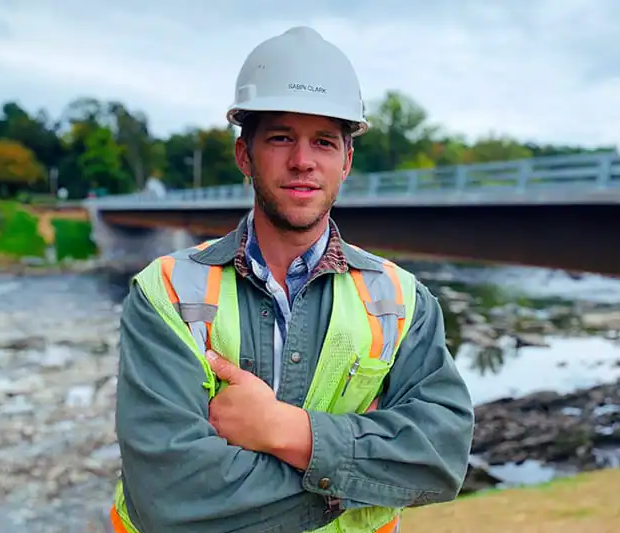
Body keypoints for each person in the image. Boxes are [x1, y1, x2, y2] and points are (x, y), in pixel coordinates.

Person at [110, 26, 474, 533]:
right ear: (244, 155)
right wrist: (363, 480)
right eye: (281, 137)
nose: (303, 161)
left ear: (346, 160)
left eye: (324, 141)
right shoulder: (167, 291)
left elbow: (440, 458)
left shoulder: (402, 301)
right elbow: (171, 496)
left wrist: (284, 431)